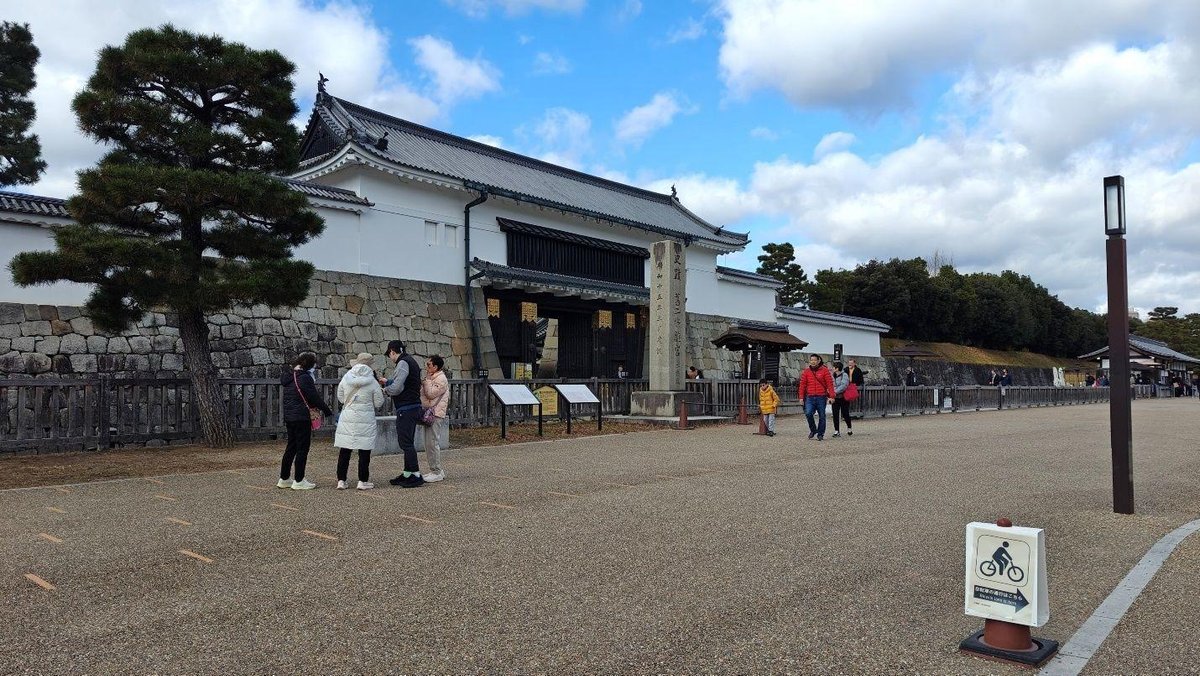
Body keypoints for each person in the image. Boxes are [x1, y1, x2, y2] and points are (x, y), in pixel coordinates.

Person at [279, 352, 334, 490]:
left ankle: (284, 478)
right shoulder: (304, 378)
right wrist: (327, 411)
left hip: (290, 416)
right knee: (302, 448)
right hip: (302, 417)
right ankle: (299, 480)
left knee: (291, 447)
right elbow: (313, 397)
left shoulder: (289, 377)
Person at [333, 353, 386, 490]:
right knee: (364, 450)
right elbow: (379, 402)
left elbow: (340, 398)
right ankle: (362, 481)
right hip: (366, 419)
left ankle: (341, 480)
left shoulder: (346, 378)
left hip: (348, 417)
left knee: (345, 449)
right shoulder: (373, 381)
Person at [379, 340, 425, 488]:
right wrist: (388, 381)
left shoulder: (403, 362)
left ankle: (416, 475)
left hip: (407, 407)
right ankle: (407, 473)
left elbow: (398, 387)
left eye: (390, 355)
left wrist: (385, 390)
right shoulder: (411, 361)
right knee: (407, 442)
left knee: (406, 443)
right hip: (412, 406)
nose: (390, 358)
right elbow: (404, 382)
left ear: (393, 351)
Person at [420, 354, 451, 483]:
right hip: (433, 412)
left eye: (429, 365)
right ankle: (435, 470)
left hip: (436, 413)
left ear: (436, 367)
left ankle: (436, 471)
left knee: (432, 443)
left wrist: (426, 382)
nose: (427, 367)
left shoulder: (441, 379)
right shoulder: (433, 377)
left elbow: (431, 394)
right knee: (429, 443)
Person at [798, 354, 834, 441]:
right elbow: (802, 385)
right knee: (808, 413)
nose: (813, 362)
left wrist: (832, 396)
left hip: (821, 396)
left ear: (818, 361)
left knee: (822, 416)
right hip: (810, 397)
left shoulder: (824, 370)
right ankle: (813, 430)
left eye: (814, 360)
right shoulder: (806, 371)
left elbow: (830, 384)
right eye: (811, 360)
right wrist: (801, 397)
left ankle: (820, 434)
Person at [830, 361, 852, 438]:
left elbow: (844, 385)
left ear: (837, 368)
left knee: (845, 413)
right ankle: (836, 431)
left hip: (843, 398)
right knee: (835, 414)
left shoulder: (844, 375)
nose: (832, 368)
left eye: (833, 367)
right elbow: (830, 384)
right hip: (835, 398)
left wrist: (835, 391)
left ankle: (849, 427)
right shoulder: (832, 375)